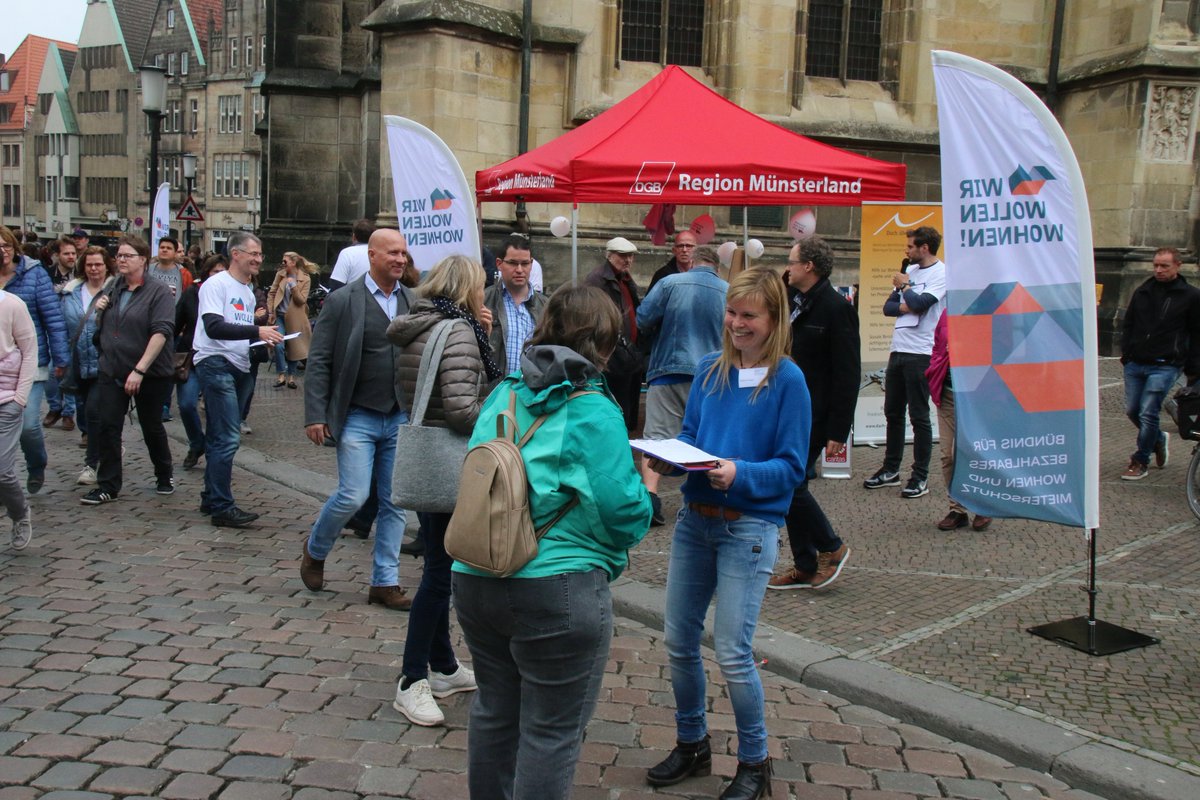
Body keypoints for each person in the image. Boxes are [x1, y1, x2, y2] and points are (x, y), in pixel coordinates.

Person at [453, 284, 652, 797]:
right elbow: (621, 512)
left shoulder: (505, 390)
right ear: (604, 343)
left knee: (495, 713)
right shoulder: (593, 409)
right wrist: (648, 489)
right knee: (551, 732)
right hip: (556, 586)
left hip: (477, 574)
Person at [645, 267, 809, 800]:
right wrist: (672, 462)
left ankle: (755, 764)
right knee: (678, 640)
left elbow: (791, 468)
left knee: (733, 651)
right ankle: (692, 741)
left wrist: (740, 473)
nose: (737, 324)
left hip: (750, 528)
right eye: (732, 314)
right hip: (697, 522)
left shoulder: (787, 381)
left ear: (773, 319)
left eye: (749, 316)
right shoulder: (709, 370)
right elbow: (692, 438)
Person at [387, 253, 500, 726]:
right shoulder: (458, 331)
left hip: (429, 458)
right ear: (466, 288)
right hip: (450, 462)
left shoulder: (422, 325)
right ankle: (411, 679)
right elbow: (460, 409)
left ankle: (444, 667)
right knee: (440, 575)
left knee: (437, 561)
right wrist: (493, 412)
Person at [300, 229, 417, 611]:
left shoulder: (413, 301)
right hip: (358, 416)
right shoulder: (342, 301)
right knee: (353, 494)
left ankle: (384, 581)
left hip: (398, 416)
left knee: (394, 502)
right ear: (372, 256)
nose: (400, 259)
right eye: (393, 253)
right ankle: (316, 549)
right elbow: (319, 361)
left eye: (403, 253)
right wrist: (316, 414)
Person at [769, 236, 858, 590]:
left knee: (790, 482)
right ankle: (805, 564)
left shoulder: (836, 308)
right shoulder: (792, 298)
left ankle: (831, 547)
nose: (786, 267)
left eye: (791, 262)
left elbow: (847, 373)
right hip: (785, 408)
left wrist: (839, 430)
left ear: (808, 266)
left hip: (816, 414)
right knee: (793, 483)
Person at [193, 232, 283, 527]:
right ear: (235, 254)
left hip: (239, 364)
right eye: (253, 254)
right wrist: (256, 332)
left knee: (220, 435)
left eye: (260, 255)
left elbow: (239, 332)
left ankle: (211, 498)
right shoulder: (215, 285)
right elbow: (214, 327)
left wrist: (260, 341)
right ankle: (222, 506)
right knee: (228, 436)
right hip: (215, 363)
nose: (258, 259)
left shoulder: (247, 291)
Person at [635, 243, 727, 526]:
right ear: (716, 267)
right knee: (710, 439)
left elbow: (642, 319)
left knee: (657, 438)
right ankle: (711, 498)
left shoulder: (669, 282)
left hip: (668, 369)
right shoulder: (729, 290)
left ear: (693, 262)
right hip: (713, 376)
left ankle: (651, 498)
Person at [80, 236, 177, 505]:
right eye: (119, 256)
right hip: (112, 369)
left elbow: (161, 332)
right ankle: (108, 485)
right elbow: (109, 327)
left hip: (151, 372)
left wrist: (140, 369)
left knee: (151, 425)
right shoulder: (114, 287)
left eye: (127, 255)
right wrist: (100, 310)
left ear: (143, 259)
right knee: (108, 425)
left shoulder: (158, 291)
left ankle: (164, 473)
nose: (121, 260)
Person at [863, 226, 946, 499]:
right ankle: (890, 469)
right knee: (893, 411)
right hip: (898, 349)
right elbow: (889, 308)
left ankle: (920, 476)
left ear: (925, 248)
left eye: (911, 246)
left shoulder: (941, 273)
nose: (906, 251)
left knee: (919, 416)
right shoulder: (908, 273)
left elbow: (921, 303)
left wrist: (906, 290)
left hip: (922, 352)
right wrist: (907, 298)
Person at [1119, 246, 1200, 480]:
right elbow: (1129, 323)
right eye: (1156, 265)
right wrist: (1127, 352)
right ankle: (1158, 438)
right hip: (1136, 361)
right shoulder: (1143, 291)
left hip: (1166, 363)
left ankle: (1141, 459)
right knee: (1133, 410)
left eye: (1164, 265)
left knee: (1147, 411)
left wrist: (1193, 369)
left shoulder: (1191, 296)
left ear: (1177, 266)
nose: (1159, 270)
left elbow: (1196, 333)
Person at [0, 226, 69, 495]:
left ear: (15, 247)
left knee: (28, 424)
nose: (3, 252)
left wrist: (61, 357)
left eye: (6, 246)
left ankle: (36, 463)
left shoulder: (33, 274)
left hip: (31, 360)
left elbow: (52, 317)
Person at [927, 312, 993, 531]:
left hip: (977, 398)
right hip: (947, 395)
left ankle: (983, 506)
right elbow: (937, 344)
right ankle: (957, 509)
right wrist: (938, 363)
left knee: (975, 453)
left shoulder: (988, 312)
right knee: (948, 455)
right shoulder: (947, 313)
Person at [63, 246, 115, 484]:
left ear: (107, 266)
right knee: (87, 412)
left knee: (94, 412)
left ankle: (91, 464)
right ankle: (110, 445)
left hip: (104, 362)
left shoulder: (115, 290)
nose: (94, 269)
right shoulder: (70, 292)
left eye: (98, 264)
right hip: (78, 362)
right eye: (90, 264)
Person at [583, 236, 645, 432]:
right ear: (609, 256)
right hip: (611, 354)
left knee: (627, 407)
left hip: (627, 353)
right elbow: (592, 316)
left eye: (631, 256)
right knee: (616, 407)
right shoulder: (598, 280)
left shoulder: (625, 278)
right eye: (623, 256)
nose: (628, 260)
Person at [175, 255, 228, 471]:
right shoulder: (192, 293)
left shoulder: (231, 293)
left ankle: (214, 454)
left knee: (216, 411)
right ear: (206, 272)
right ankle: (197, 443)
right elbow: (176, 323)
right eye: (215, 272)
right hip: (192, 358)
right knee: (187, 404)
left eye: (222, 272)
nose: (218, 276)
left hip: (220, 360)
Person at [0, 287, 37, 550]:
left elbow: (29, 350)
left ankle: (20, 513)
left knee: (2, 471)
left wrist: (20, 398)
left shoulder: (12, 305)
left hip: (7, 398)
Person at [483, 233, 548, 376]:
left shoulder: (546, 307)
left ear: (531, 264)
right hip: (496, 391)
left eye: (525, 263)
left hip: (533, 392)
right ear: (499, 264)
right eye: (513, 263)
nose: (519, 269)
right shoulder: (484, 301)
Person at [44, 236, 80, 432]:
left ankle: (68, 412)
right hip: (52, 329)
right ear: (57, 256)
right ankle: (55, 407)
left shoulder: (80, 276)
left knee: (70, 371)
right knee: (50, 372)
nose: (71, 257)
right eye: (66, 253)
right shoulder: (47, 275)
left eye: (73, 253)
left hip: (74, 329)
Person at [267, 252, 316, 388]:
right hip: (280, 316)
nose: (283, 264)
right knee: (278, 344)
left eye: (285, 261)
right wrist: (271, 311)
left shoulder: (305, 279)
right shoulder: (280, 274)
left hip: (295, 318)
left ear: (293, 263)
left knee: (294, 347)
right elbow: (272, 293)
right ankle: (281, 374)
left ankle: (291, 377)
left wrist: (294, 286)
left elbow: (301, 300)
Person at [328, 218, 374, 290]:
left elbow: (337, 283)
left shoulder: (347, 253)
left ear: (354, 237)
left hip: (353, 297)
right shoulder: (380, 252)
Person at [146, 237, 194, 304]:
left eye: (169, 248)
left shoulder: (184, 274)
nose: (164, 250)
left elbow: (189, 300)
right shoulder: (146, 270)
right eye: (162, 247)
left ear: (175, 253)